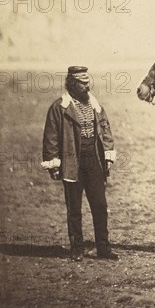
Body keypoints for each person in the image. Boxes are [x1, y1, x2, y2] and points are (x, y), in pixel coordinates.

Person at [41, 66, 118, 261]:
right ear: (72, 84)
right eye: (83, 83)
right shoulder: (59, 108)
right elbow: (51, 138)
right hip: (71, 162)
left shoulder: (95, 106)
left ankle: (103, 248)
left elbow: (105, 130)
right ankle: (77, 248)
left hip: (94, 161)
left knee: (100, 205)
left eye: (88, 81)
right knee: (74, 209)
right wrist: (54, 164)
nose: (87, 86)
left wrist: (108, 155)